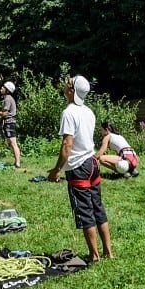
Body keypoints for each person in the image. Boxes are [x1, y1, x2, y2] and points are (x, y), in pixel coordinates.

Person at [48, 75, 113, 261]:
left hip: (78, 167)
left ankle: (94, 256)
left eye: (69, 83)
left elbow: (67, 145)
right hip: (93, 163)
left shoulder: (68, 113)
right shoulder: (88, 111)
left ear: (71, 91)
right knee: (98, 208)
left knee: (85, 211)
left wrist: (57, 169)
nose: (65, 83)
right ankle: (108, 252)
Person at [0, 81, 21, 168]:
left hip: (9, 123)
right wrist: (0, 121)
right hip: (10, 123)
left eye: (3, 88)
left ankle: (17, 163)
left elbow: (4, 114)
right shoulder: (8, 98)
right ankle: (17, 162)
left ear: (7, 90)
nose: (1, 88)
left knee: (13, 143)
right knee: (12, 143)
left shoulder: (7, 99)